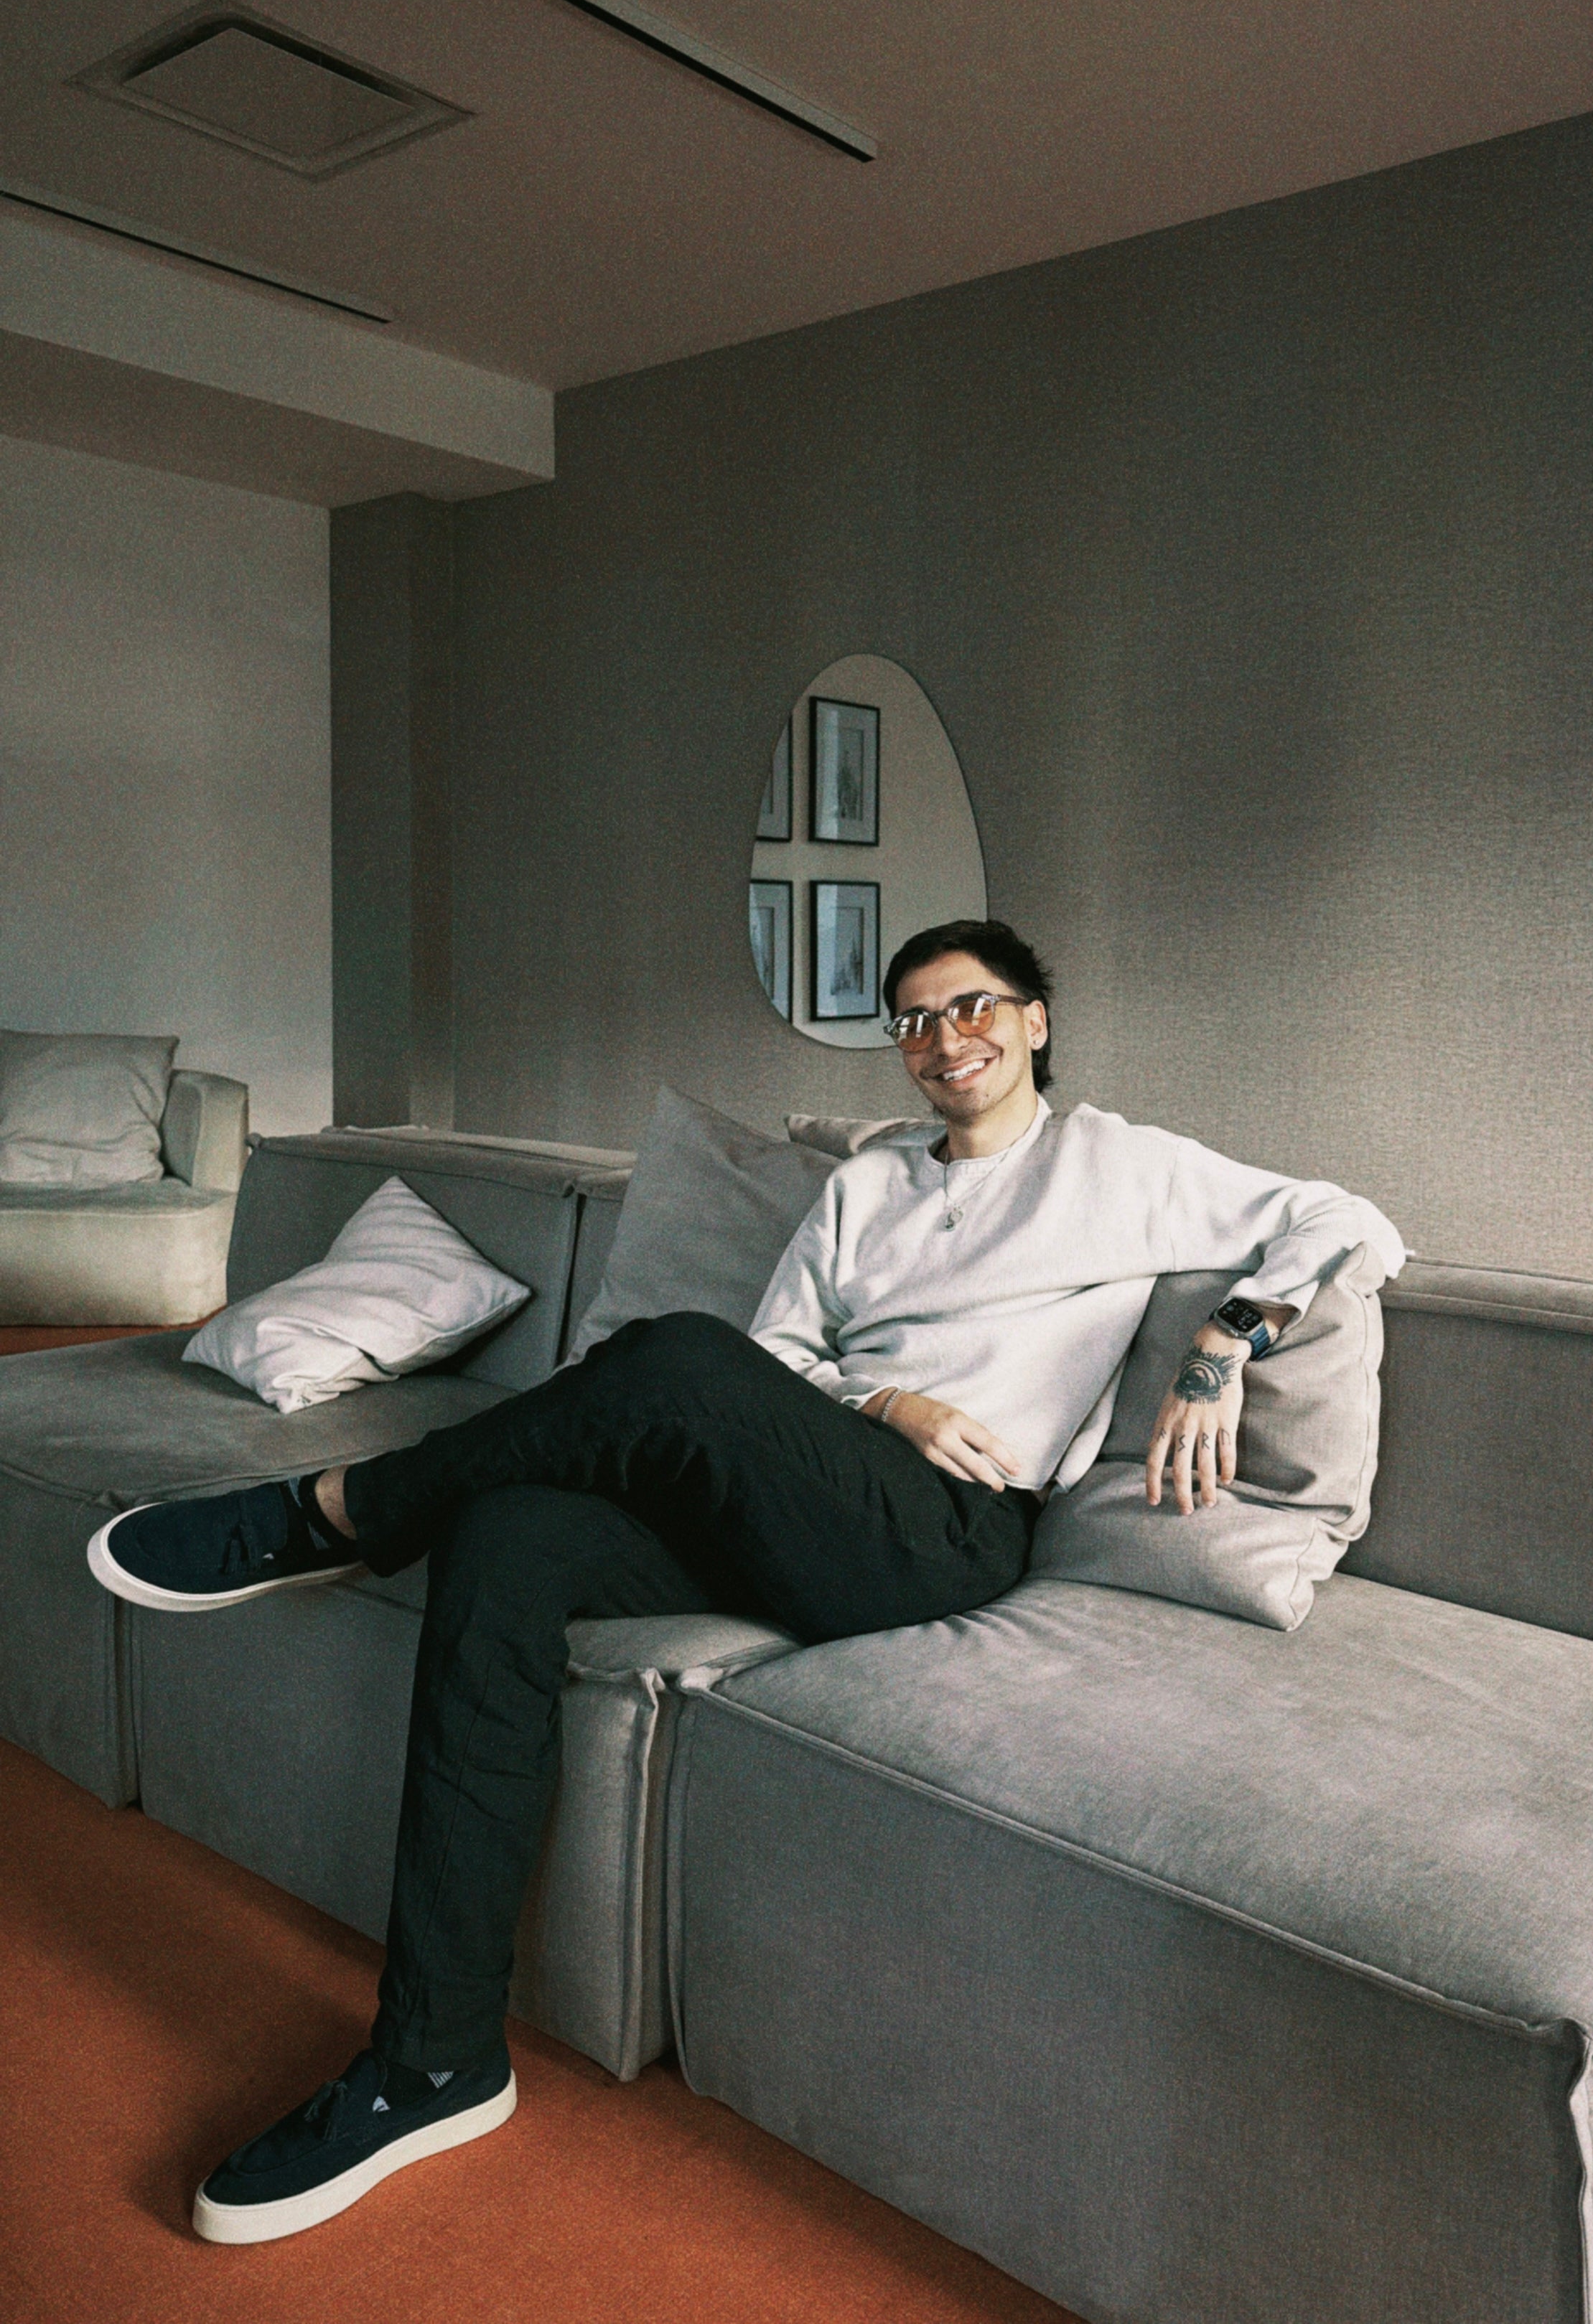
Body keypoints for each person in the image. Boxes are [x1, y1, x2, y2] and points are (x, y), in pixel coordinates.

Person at [90, 919, 1405, 2244]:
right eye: (915, 1020)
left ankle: (334, 1509)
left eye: (973, 1007)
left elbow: (1346, 1219)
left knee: (675, 1355)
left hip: (941, 1535)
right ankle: (435, 2060)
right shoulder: (869, 1184)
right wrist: (885, 1401)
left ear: (1035, 1021)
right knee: (506, 1535)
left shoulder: (1119, 1165)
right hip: (807, 1491)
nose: (945, 1039)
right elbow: (780, 1357)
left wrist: (1221, 1345)